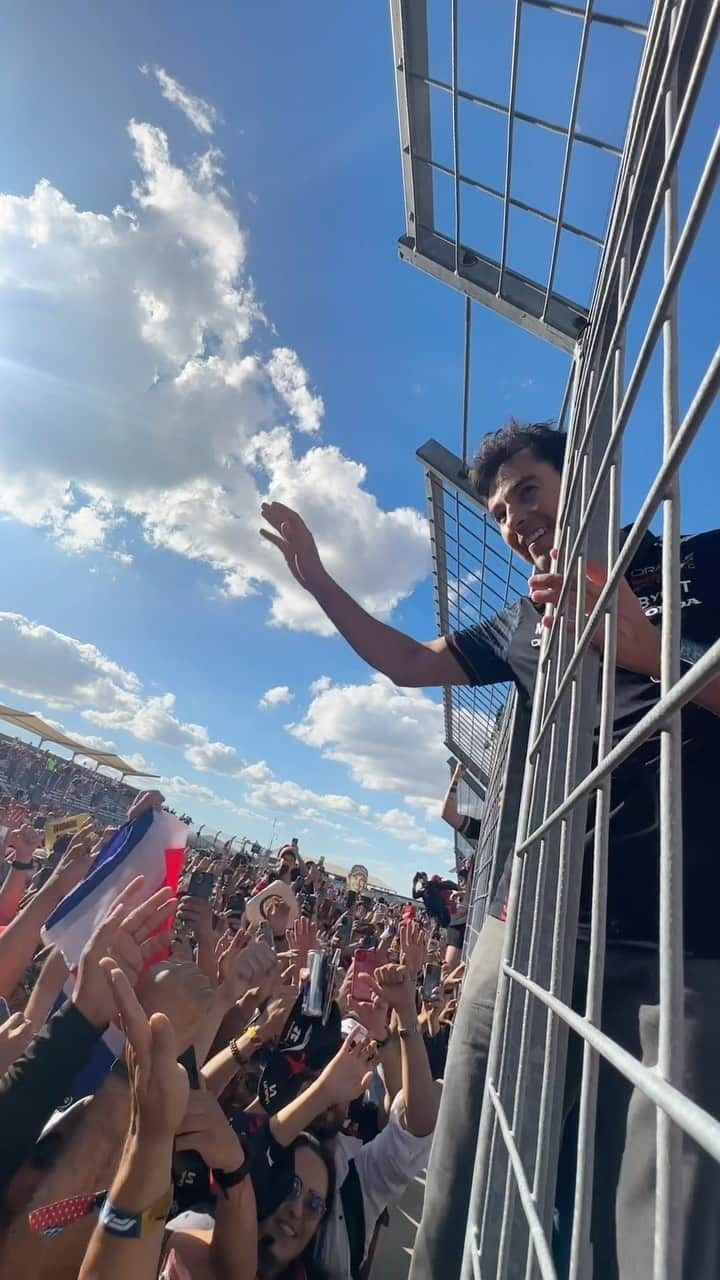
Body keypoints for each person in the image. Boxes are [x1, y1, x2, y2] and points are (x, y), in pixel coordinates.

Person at [262, 419, 720, 1280]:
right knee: (463, 1191)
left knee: (647, 1231)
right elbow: (406, 660)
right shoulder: (526, 620)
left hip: (676, 944)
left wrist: (649, 652)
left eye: (527, 493)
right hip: (527, 929)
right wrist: (319, 581)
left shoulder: (708, 564)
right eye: (501, 510)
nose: (513, 520)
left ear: (583, 480)